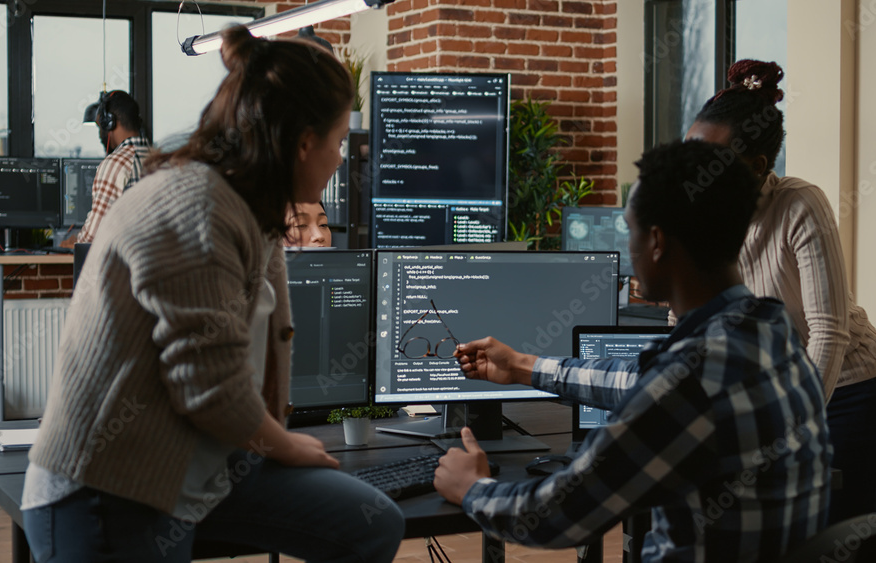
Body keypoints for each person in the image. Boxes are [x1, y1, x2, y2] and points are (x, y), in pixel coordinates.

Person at [23, 26, 404, 562]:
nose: (342, 159)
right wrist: (289, 445)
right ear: (301, 143)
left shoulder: (254, 209)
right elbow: (207, 387)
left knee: (371, 525)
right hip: (106, 489)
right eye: (339, 141)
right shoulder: (197, 204)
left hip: (205, 467)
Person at [435, 141, 832, 562]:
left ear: (657, 241)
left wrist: (472, 489)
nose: (630, 249)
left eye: (631, 229)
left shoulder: (687, 382)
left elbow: (558, 514)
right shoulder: (773, 331)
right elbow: (638, 382)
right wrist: (522, 366)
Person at [684, 59, 876, 524]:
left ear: (757, 165)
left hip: (848, 391)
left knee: (836, 534)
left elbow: (828, 332)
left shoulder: (800, 205)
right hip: (768, 395)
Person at [61, 90, 152, 247]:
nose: (99, 134)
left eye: (100, 126)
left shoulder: (117, 164)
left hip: (124, 264)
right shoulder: (161, 159)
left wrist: (74, 242)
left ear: (110, 122)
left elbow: (92, 236)